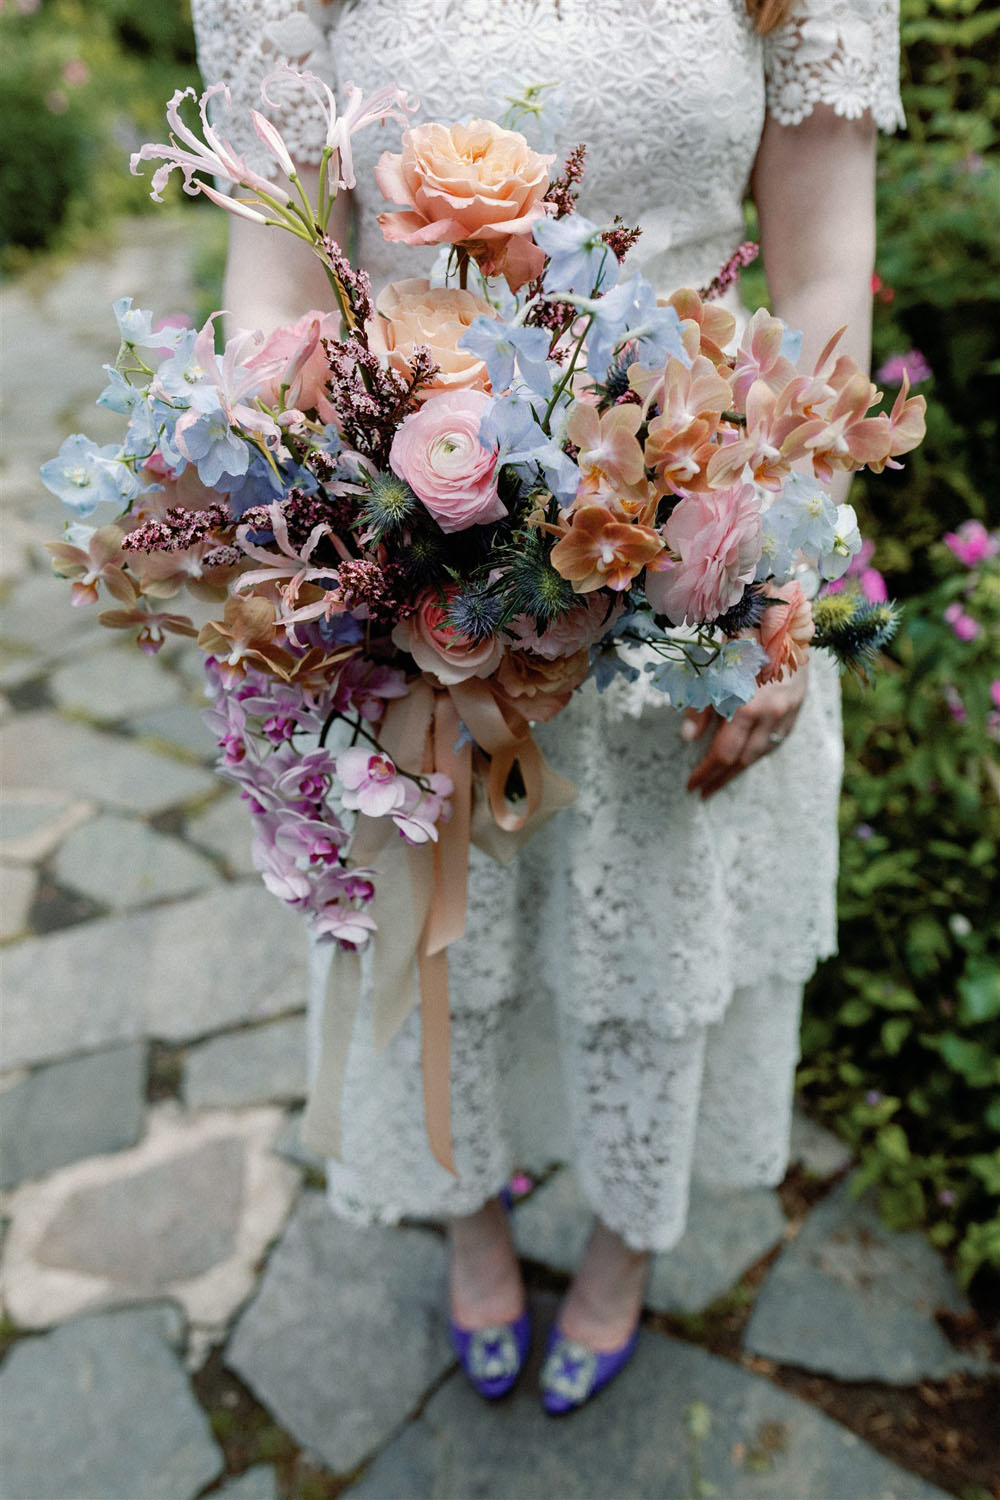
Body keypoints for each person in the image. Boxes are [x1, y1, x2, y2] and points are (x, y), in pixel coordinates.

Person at [191, 0, 904, 1411]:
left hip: (687, 561)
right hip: (410, 587)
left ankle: (622, 1253)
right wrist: (323, 550)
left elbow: (824, 280)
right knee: (445, 943)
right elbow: (272, 294)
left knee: (648, 940)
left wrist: (775, 574)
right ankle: (473, 1223)